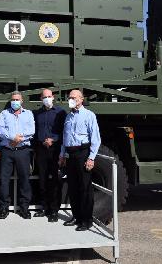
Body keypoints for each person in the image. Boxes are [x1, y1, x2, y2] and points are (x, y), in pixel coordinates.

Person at [59, 90, 101, 231]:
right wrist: (63, 154)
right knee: (73, 188)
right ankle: (76, 217)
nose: (71, 99)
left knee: (85, 188)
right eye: (69, 97)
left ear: (81, 99)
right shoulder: (68, 117)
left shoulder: (89, 115)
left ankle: (86, 220)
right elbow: (65, 138)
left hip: (83, 153)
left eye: (74, 97)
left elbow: (95, 138)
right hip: (70, 155)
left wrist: (91, 158)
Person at [0, 91, 35, 220]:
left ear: (22, 101)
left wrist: (19, 139)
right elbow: (0, 129)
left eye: (17, 99)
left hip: (23, 150)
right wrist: (12, 137)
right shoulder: (4, 113)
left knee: (25, 180)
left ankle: (24, 208)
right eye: (13, 99)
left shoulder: (28, 114)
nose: (15, 102)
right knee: (4, 180)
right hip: (7, 150)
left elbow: (31, 130)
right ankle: (3, 208)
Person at [33, 89, 66, 222]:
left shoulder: (61, 112)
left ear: (53, 97)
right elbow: (35, 131)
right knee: (42, 179)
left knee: (55, 180)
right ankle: (44, 207)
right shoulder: (37, 113)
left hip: (55, 150)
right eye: (44, 97)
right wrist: (42, 141)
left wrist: (53, 139)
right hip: (41, 150)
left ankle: (54, 211)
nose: (47, 98)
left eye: (49, 96)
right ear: (41, 98)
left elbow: (65, 130)